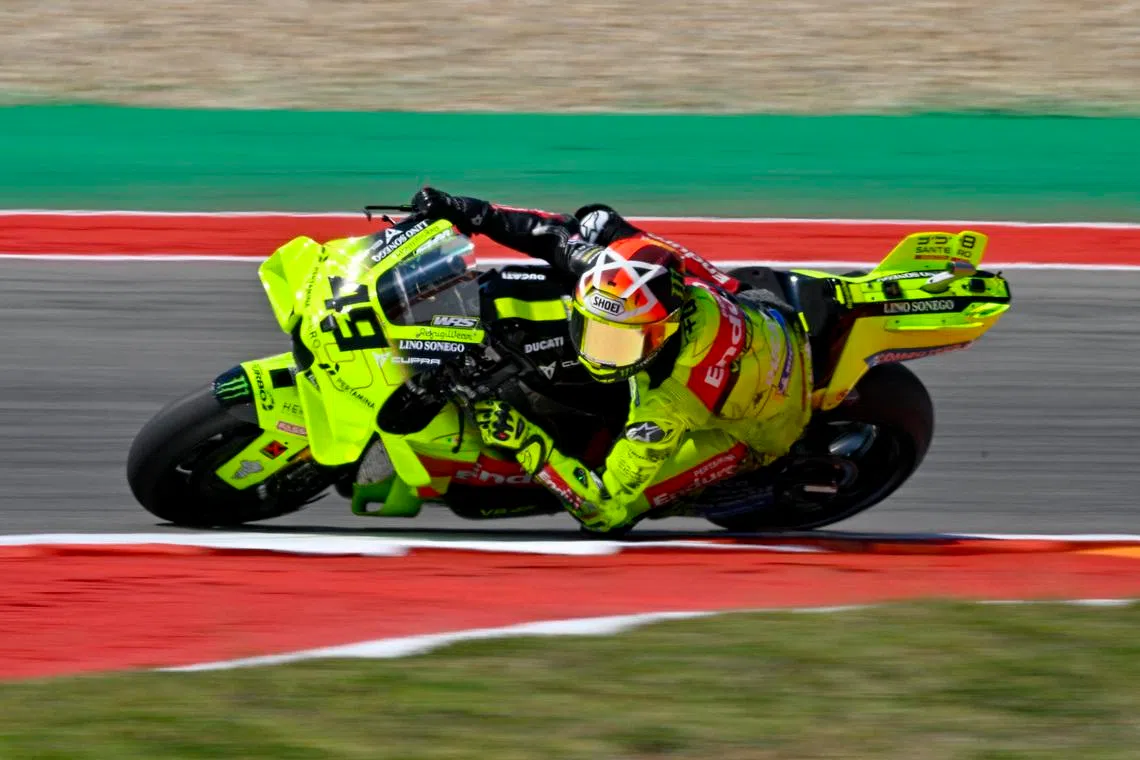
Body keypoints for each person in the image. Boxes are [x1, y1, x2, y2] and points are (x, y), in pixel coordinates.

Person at [410, 187, 815, 533]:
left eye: (620, 344)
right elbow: (551, 236)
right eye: (596, 333)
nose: (600, 357)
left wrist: (526, 440)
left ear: (663, 333)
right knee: (595, 225)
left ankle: (719, 483)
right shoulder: (630, 275)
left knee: (621, 514)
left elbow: (600, 509)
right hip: (755, 307)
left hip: (762, 424)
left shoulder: (667, 407)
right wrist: (466, 210)